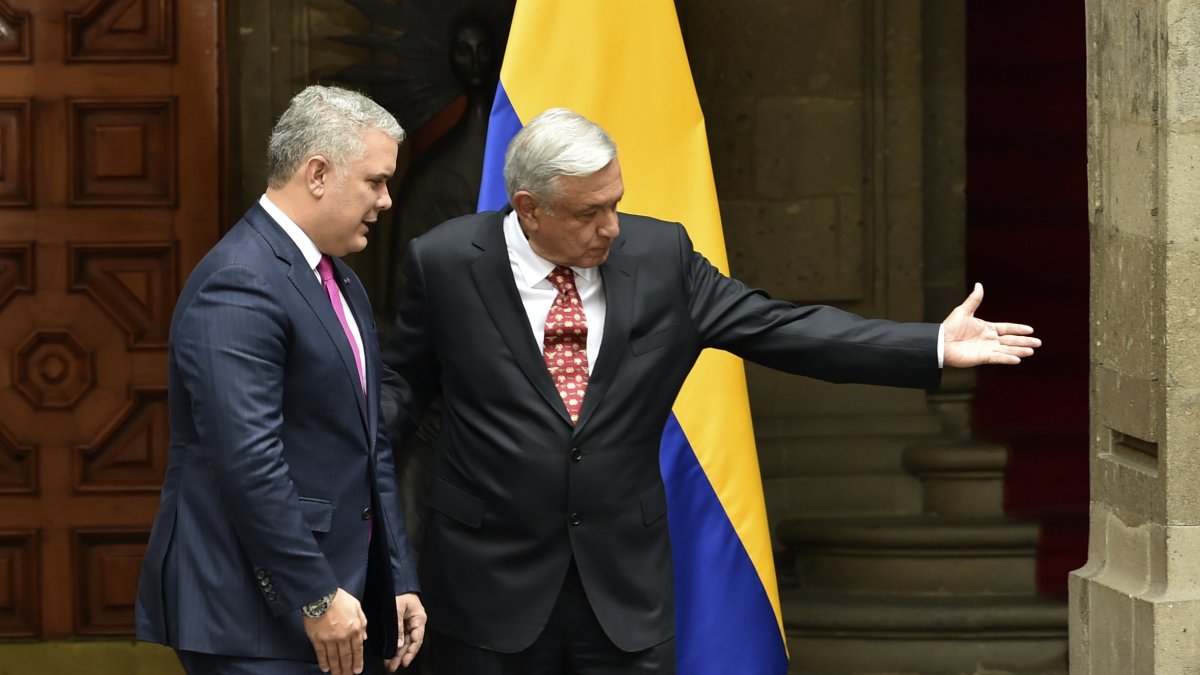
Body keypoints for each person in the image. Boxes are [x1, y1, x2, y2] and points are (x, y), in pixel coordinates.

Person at [380, 108, 1041, 675]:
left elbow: (782, 326)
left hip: (622, 595)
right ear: (529, 209)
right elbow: (394, 406)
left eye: (616, 202)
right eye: (590, 213)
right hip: (485, 589)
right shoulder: (444, 264)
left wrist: (928, 344)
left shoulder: (659, 258)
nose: (613, 226)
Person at [136, 85, 426, 675]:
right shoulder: (241, 280)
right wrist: (314, 593)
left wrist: (395, 577)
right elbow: (248, 460)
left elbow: (370, 444)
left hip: (338, 599)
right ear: (318, 173)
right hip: (253, 614)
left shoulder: (339, 279)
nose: (387, 200)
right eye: (375, 181)